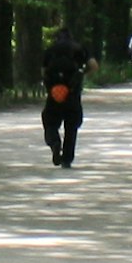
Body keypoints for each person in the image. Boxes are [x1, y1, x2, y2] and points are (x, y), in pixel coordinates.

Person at [40, 32, 92, 169]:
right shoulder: (80, 49)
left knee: (49, 121)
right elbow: (94, 65)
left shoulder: (50, 50)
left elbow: (43, 71)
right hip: (72, 92)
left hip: (54, 93)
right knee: (71, 126)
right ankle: (67, 159)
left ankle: (54, 142)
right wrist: (81, 74)